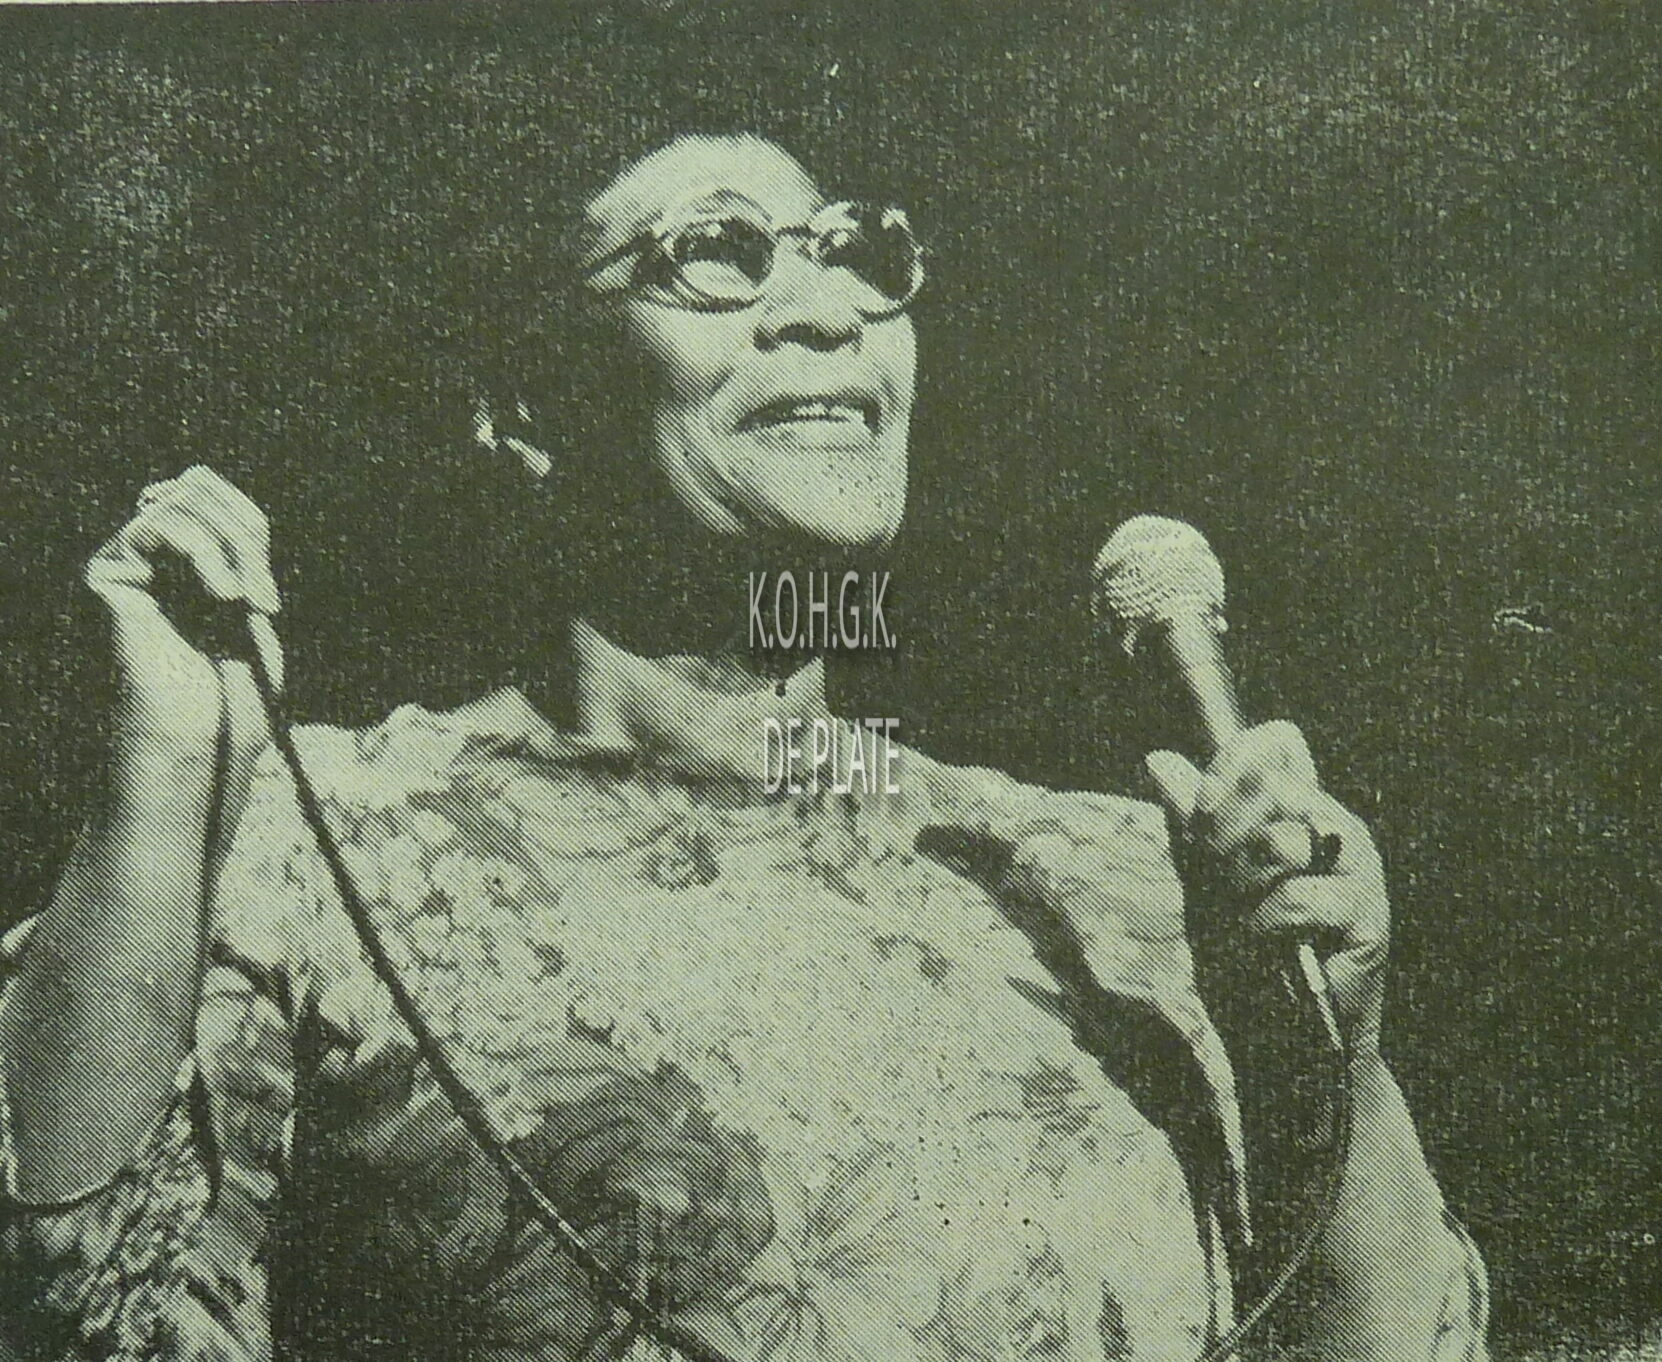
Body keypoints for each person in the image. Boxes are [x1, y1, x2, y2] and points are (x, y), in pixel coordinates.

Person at [0, 131, 1488, 1362]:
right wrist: (161, 778)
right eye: (717, 251)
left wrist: (1325, 1050)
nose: (826, 309)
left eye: (858, 255)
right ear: (523, 410)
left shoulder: (1116, 876)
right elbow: (79, 1309)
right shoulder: (315, 840)